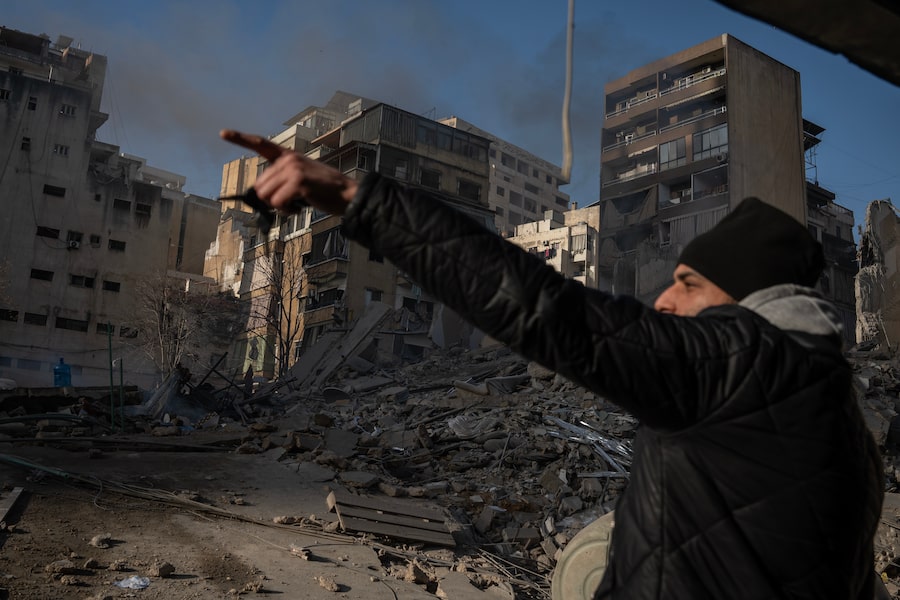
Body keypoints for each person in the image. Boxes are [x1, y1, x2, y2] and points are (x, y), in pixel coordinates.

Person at [220, 129, 883, 599]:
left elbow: (540, 307)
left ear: (741, 297)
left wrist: (354, 197)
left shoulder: (735, 360)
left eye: (688, 283)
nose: (664, 300)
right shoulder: (840, 416)